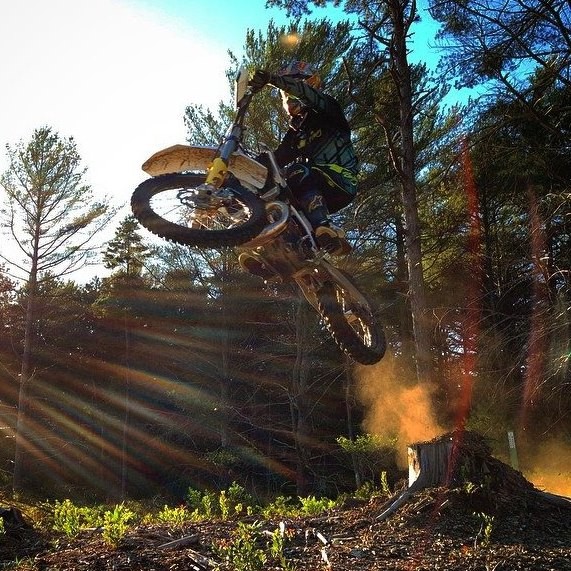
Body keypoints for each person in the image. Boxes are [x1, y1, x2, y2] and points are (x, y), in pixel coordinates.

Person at [247, 61, 358, 257]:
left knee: (297, 171)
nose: (287, 98)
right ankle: (282, 251)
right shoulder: (297, 132)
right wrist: (242, 170)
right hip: (315, 186)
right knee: (276, 192)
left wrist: (272, 79)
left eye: (288, 90)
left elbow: (306, 94)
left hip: (341, 180)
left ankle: (325, 227)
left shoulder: (327, 109)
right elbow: (275, 160)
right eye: (284, 94)